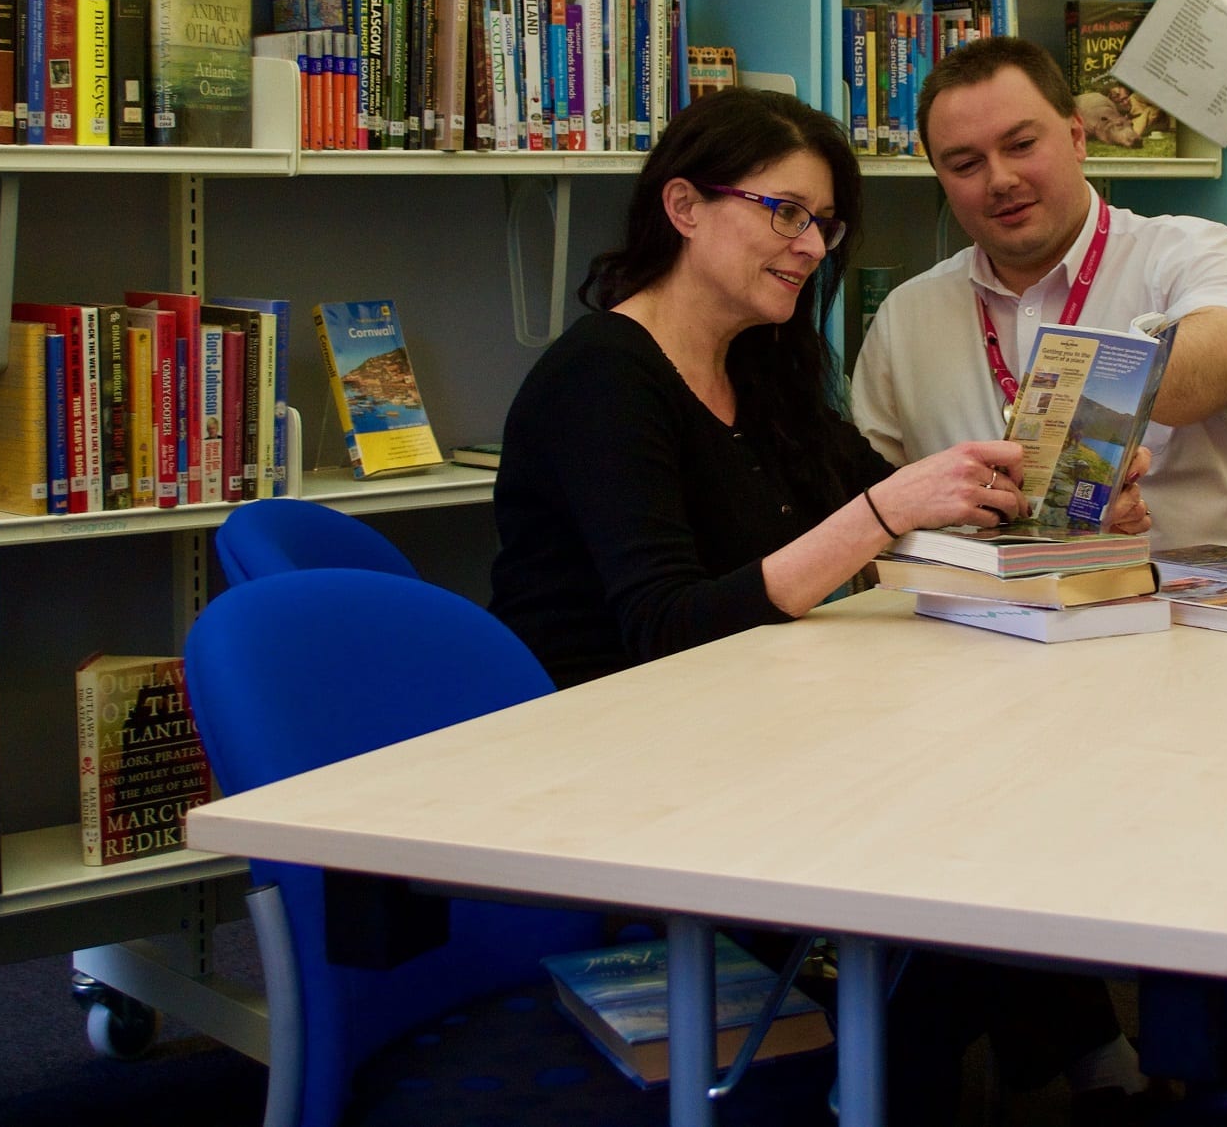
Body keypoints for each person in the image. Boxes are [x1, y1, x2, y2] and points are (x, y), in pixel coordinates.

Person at [487, 88, 1150, 1124]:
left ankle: (1051, 1055)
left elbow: (893, 521)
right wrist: (888, 504)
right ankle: (1013, 1061)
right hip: (624, 756)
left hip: (751, 725)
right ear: (684, 206)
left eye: (825, 222)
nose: (809, 245)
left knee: (1008, 788)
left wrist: (1050, 501)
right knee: (973, 840)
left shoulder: (765, 362)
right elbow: (663, 630)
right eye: (783, 211)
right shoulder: (601, 380)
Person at [853, 35, 1227, 555]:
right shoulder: (906, 317)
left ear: (1078, 137)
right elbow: (873, 523)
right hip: (986, 622)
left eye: (1021, 145)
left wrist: (1080, 439)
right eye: (966, 164)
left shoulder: (1184, 249)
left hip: (1194, 614)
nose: (1001, 179)